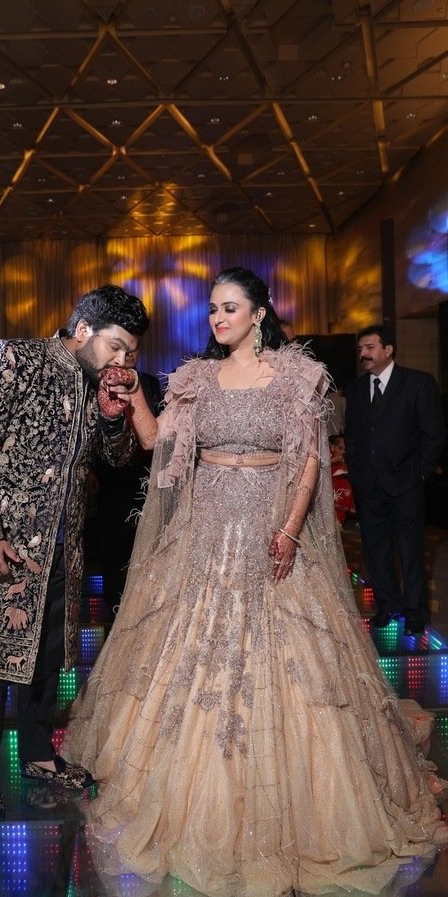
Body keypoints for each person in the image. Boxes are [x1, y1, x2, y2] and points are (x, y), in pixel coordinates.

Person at [63, 268, 448, 897]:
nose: (219, 319)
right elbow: (157, 442)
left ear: (258, 314)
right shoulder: (196, 378)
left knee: (294, 657)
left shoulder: (296, 376)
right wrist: (133, 396)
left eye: (230, 308)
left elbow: (309, 460)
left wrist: (290, 530)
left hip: (272, 531)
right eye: (213, 309)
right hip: (207, 535)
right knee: (194, 652)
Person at [0, 284, 149, 824]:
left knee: (46, 659)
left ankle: (37, 754)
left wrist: (113, 415)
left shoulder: (97, 385)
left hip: (61, 549)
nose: (123, 361)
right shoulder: (13, 358)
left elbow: (118, 457)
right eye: (116, 347)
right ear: (83, 330)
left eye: (131, 353)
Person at [344, 325, 445, 635]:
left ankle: (415, 614)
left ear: (388, 350)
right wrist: (356, 472)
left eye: (370, 348)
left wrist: (420, 472)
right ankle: (388, 605)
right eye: (361, 349)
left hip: (406, 484)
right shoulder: (356, 389)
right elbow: (353, 436)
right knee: (375, 551)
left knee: (410, 551)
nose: (363, 354)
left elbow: (434, 434)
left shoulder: (418, 383)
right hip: (368, 486)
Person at [92, 346, 162, 618]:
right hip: (111, 480)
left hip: (144, 478)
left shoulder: (149, 383)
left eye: (134, 350)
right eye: (121, 349)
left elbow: (156, 433)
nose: (128, 356)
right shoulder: (99, 383)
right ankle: (114, 615)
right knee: (114, 551)